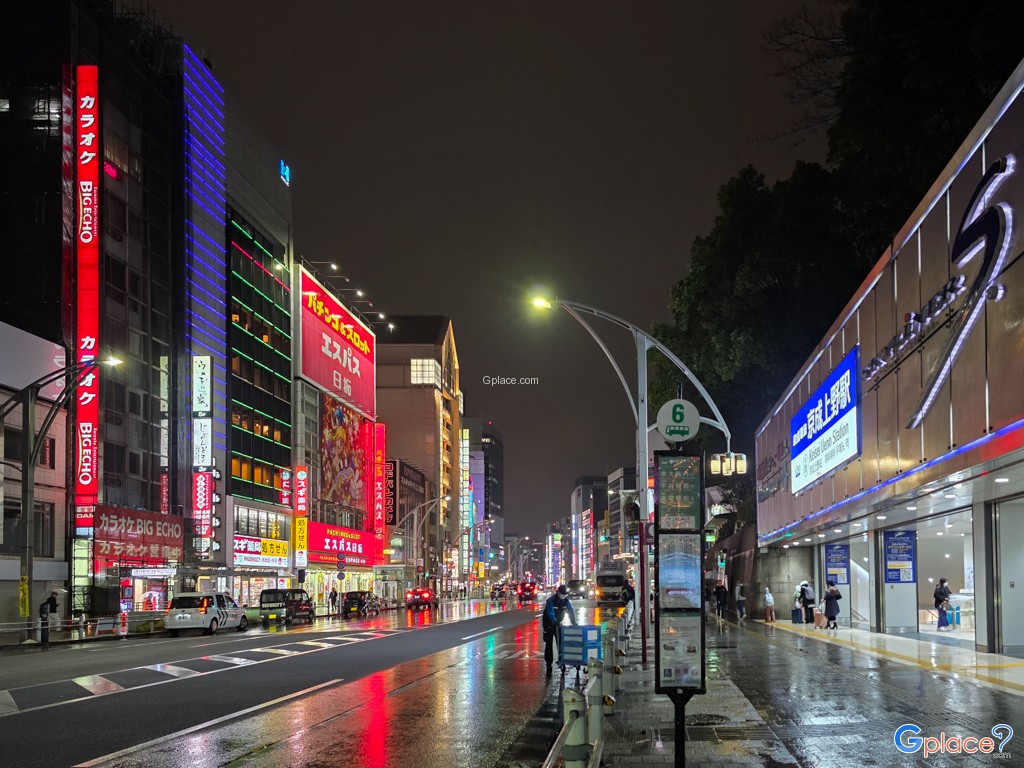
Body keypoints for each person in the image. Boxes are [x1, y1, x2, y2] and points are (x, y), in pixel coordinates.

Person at [542, 585, 578, 676]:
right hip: (548, 624)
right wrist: (554, 622)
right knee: (549, 644)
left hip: (558, 623)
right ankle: (548, 664)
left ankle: (562, 661)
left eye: (565, 594)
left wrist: (573, 621)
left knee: (560, 643)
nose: (564, 595)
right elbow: (550, 612)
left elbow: (570, 610)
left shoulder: (565, 601)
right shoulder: (551, 600)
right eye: (562, 594)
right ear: (558, 592)